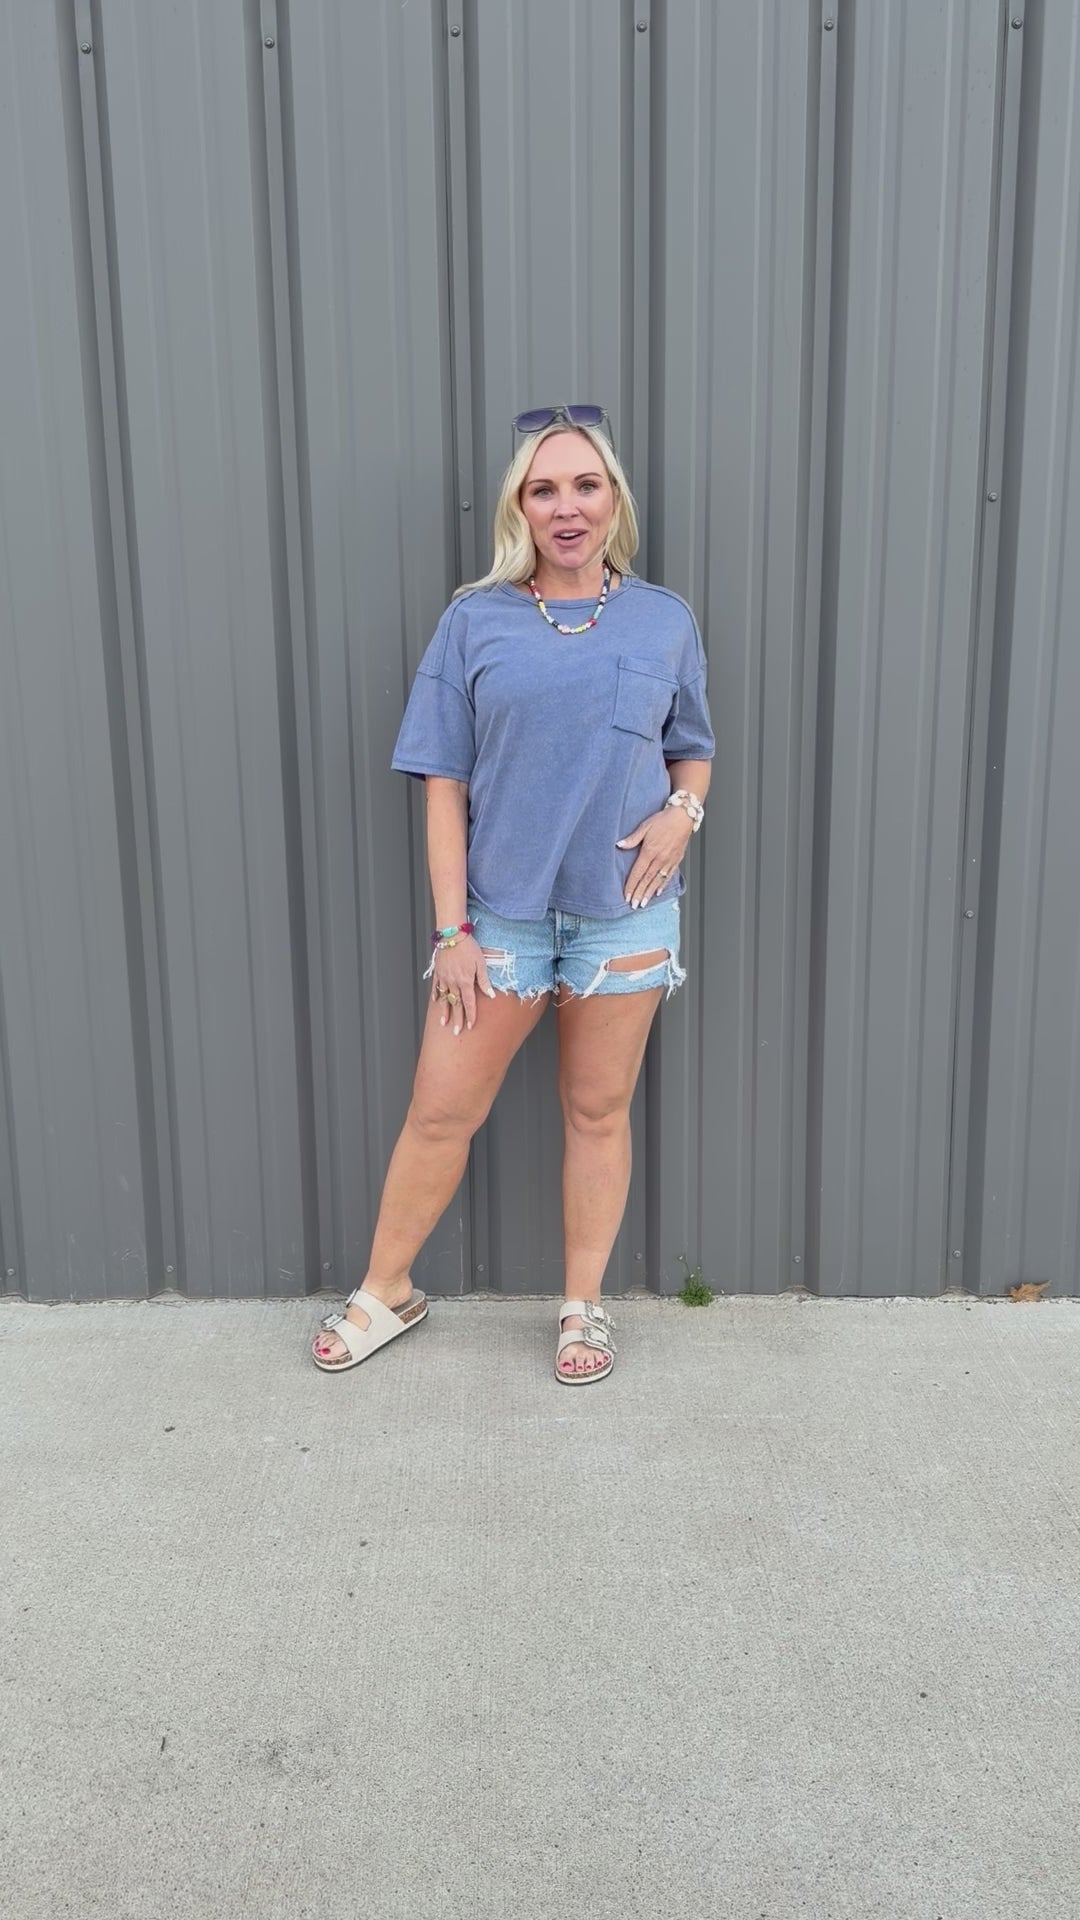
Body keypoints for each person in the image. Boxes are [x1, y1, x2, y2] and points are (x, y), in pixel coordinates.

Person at [311, 403, 714, 1384]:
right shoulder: (474, 621)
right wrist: (452, 929)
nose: (566, 508)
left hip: (624, 912)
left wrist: (682, 814)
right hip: (501, 919)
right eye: (544, 490)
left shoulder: (664, 619)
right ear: (519, 508)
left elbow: (692, 748)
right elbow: (442, 785)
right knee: (440, 1111)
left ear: (613, 499)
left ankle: (583, 1309)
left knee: (597, 1113)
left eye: (585, 486)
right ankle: (387, 1291)